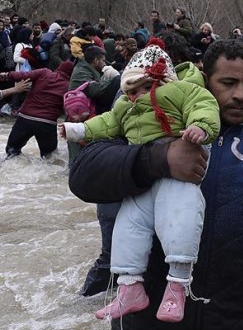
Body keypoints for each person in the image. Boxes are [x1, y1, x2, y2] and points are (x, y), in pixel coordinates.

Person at [67, 39, 243, 329]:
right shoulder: (150, 120)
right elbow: (82, 177)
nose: (240, 95)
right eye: (228, 83)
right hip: (147, 319)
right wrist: (158, 159)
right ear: (204, 81)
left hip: (229, 316)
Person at [61, 41, 220, 322]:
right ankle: (129, 287)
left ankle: (178, 285)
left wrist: (200, 127)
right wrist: (79, 129)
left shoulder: (182, 91)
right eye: (132, 91)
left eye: (146, 88)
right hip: (143, 180)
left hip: (178, 176)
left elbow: (202, 105)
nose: (139, 97)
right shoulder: (124, 107)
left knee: (181, 217)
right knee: (127, 226)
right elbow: (107, 123)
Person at [2, 61, 73, 158]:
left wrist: (6, 75)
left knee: (12, 151)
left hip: (25, 119)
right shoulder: (69, 86)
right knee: (49, 157)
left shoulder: (44, 72)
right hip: (47, 123)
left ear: (58, 68)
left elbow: (22, 75)